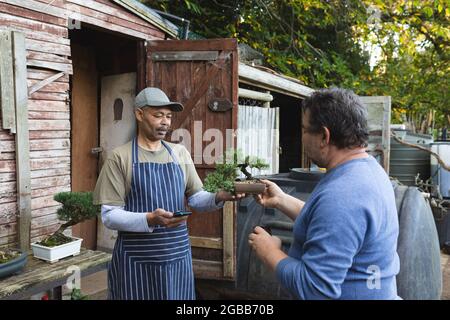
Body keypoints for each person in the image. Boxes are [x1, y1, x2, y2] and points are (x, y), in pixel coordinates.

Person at [248, 88, 400, 300]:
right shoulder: (367, 171)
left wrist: (269, 252)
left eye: (304, 130)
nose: (301, 137)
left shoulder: (344, 195)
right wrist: (282, 200)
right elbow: (331, 225)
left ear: (324, 136)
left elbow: (315, 289)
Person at [93, 87, 242, 300]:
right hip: (136, 261)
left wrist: (219, 197)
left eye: (169, 116)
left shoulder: (179, 153)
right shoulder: (120, 157)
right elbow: (109, 215)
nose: (165, 122)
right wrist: (150, 219)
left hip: (176, 258)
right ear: (139, 114)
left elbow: (197, 199)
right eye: (158, 115)